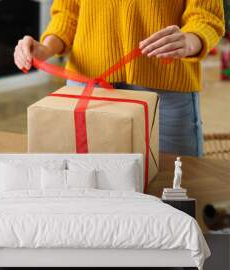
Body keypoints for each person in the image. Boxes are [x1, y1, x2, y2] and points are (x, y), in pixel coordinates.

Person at [14, 1, 225, 157]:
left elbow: (205, 17)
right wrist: (45, 48)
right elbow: (68, 14)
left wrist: (188, 41)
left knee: (176, 189)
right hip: (88, 88)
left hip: (165, 91)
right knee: (88, 190)